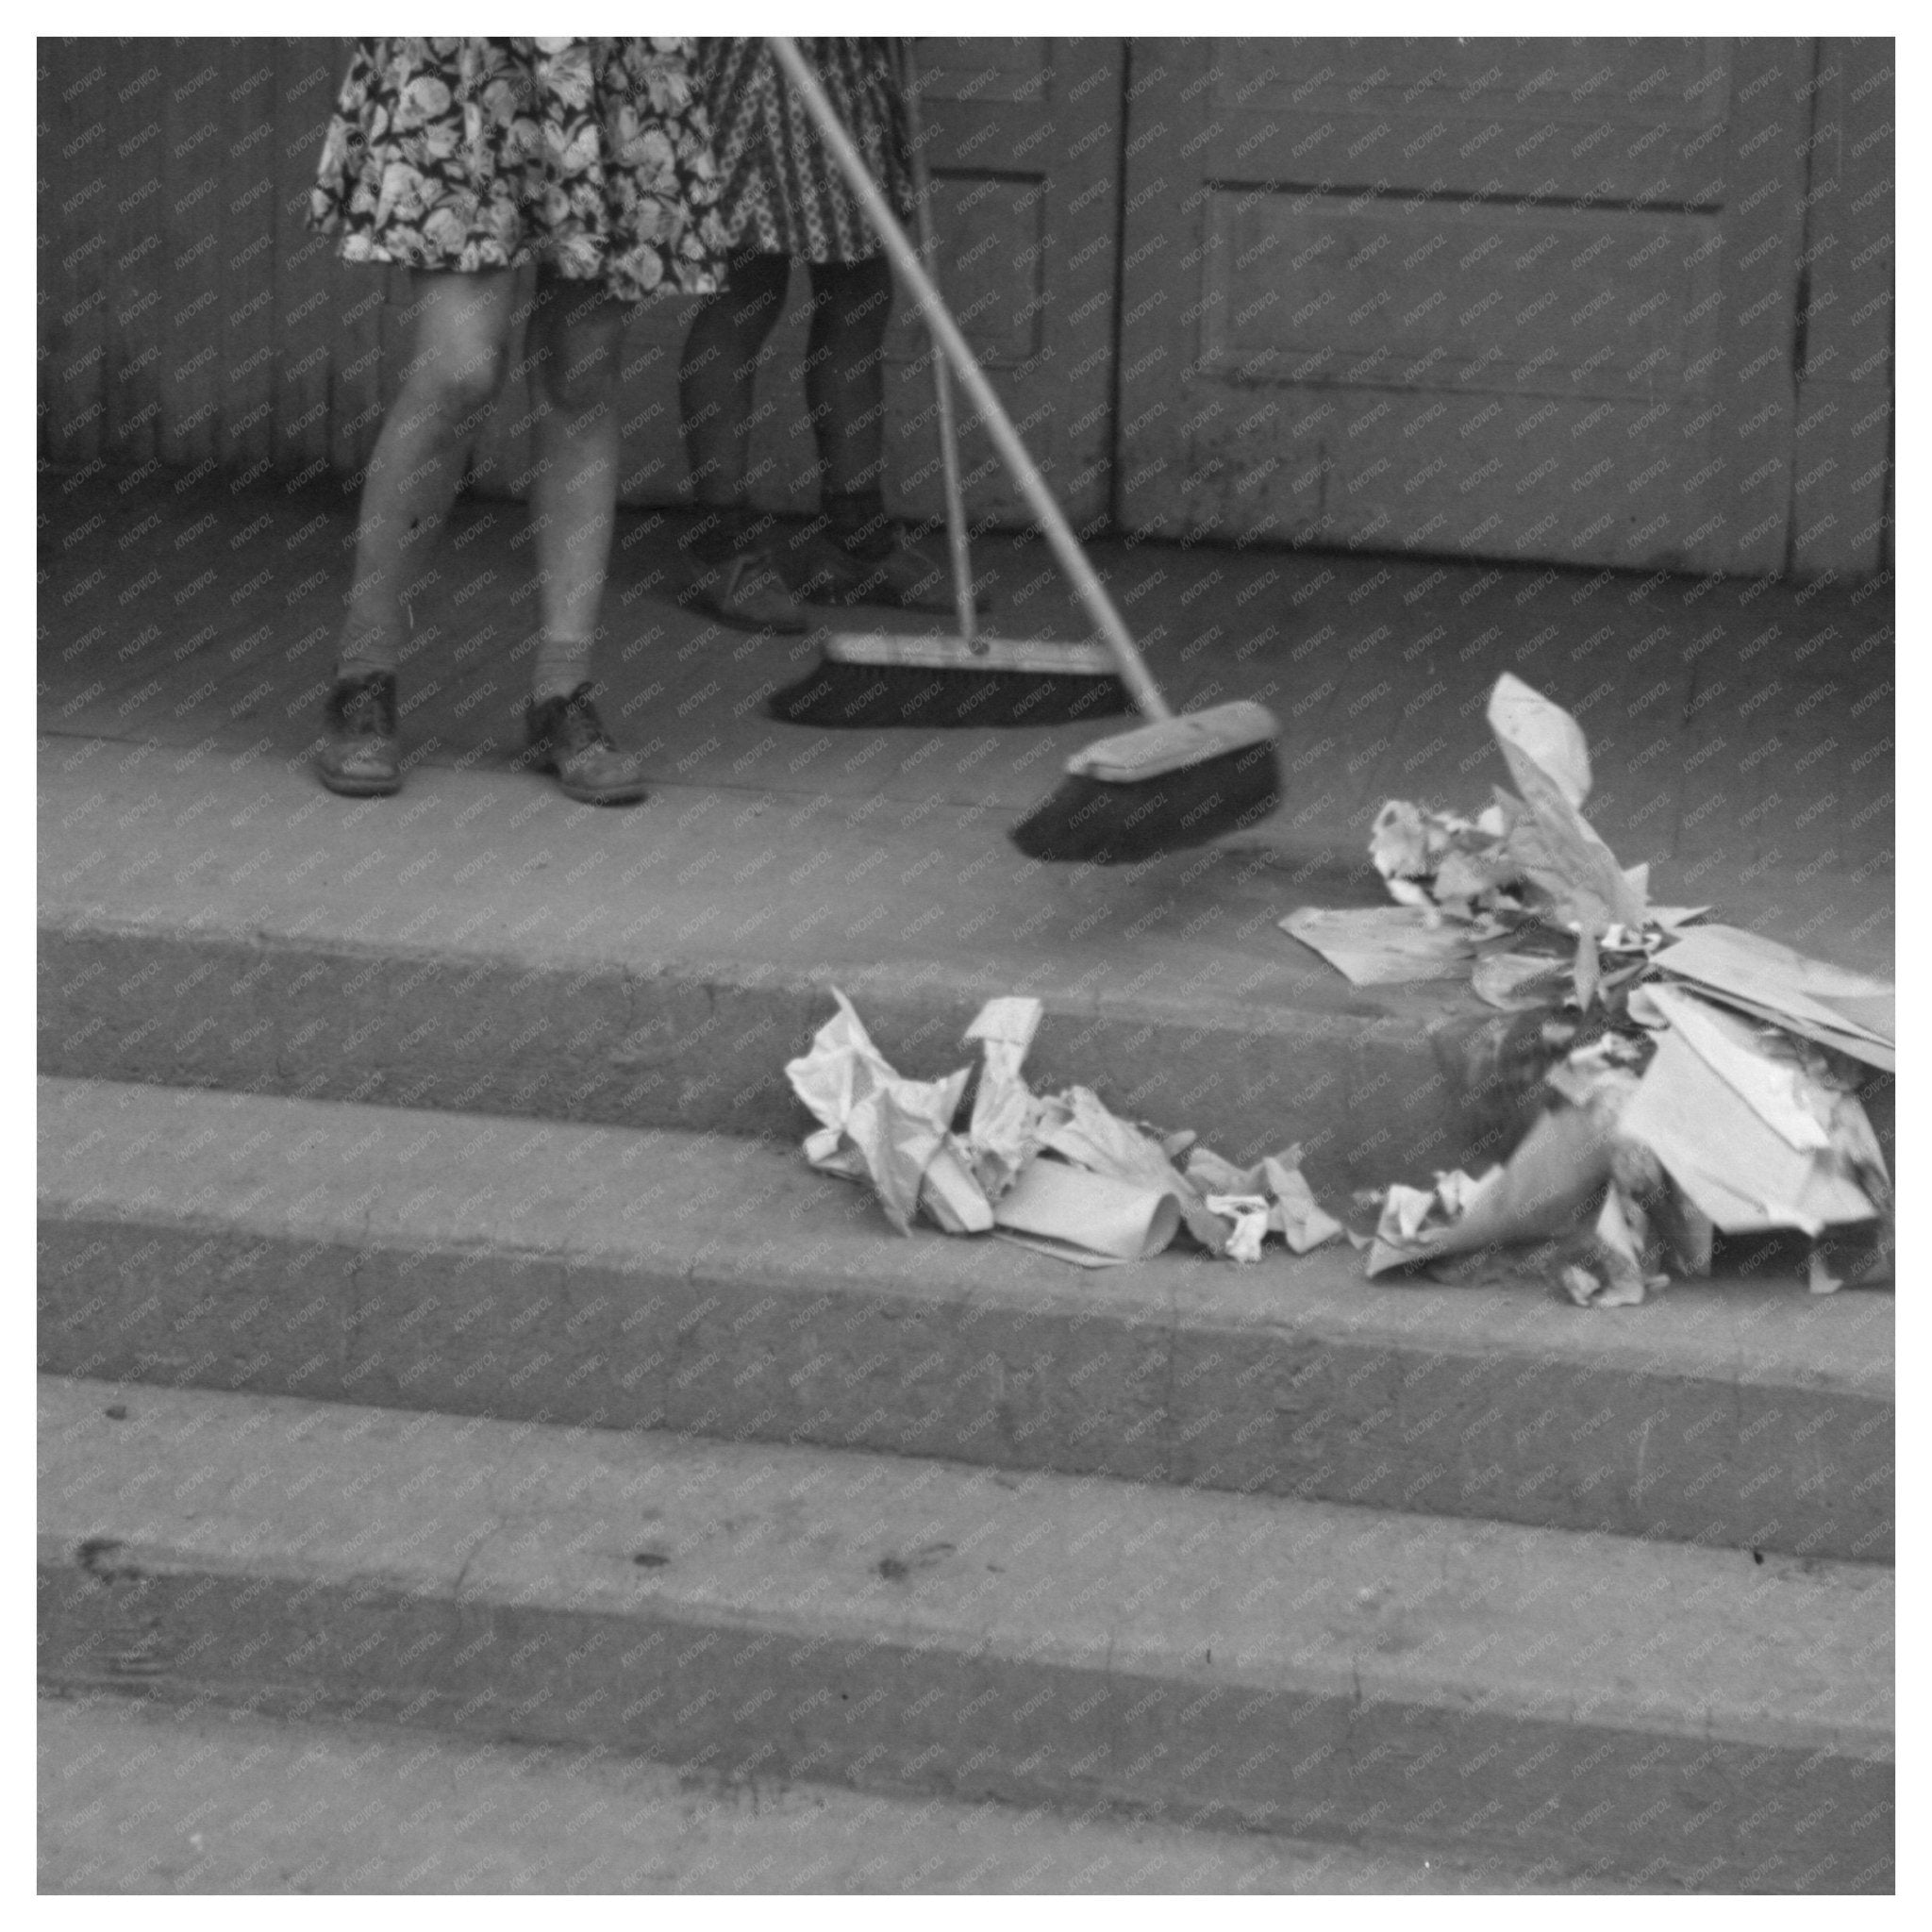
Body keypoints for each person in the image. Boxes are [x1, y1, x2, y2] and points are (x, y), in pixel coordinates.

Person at [308, 37, 726, 804]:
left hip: (617, 55)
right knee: (459, 369)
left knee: (582, 373)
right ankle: (362, 676)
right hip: (466, 53)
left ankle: (561, 693)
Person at [676, 38, 955, 632]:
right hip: (758, 60)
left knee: (859, 282)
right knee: (747, 284)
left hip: (849, 65)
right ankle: (720, 546)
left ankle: (855, 538)